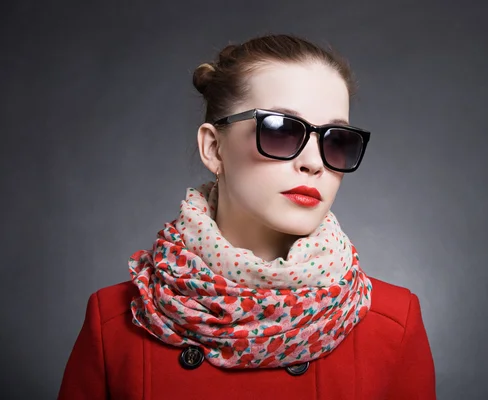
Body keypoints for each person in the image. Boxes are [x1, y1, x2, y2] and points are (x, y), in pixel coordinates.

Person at [58, 33, 436, 399]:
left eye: (336, 140)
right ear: (214, 148)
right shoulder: (114, 323)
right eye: (281, 131)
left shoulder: (393, 323)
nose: (313, 163)